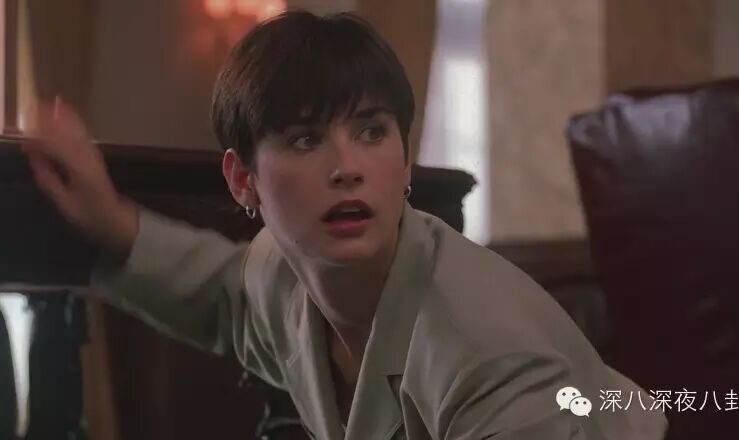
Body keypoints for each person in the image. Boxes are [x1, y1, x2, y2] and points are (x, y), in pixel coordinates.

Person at [23, 10, 667, 440]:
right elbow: (228, 299)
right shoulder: (280, 271)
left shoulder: (485, 350)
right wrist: (111, 223)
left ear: (405, 159)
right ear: (243, 180)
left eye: (371, 132)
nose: (347, 168)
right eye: (305, 139)